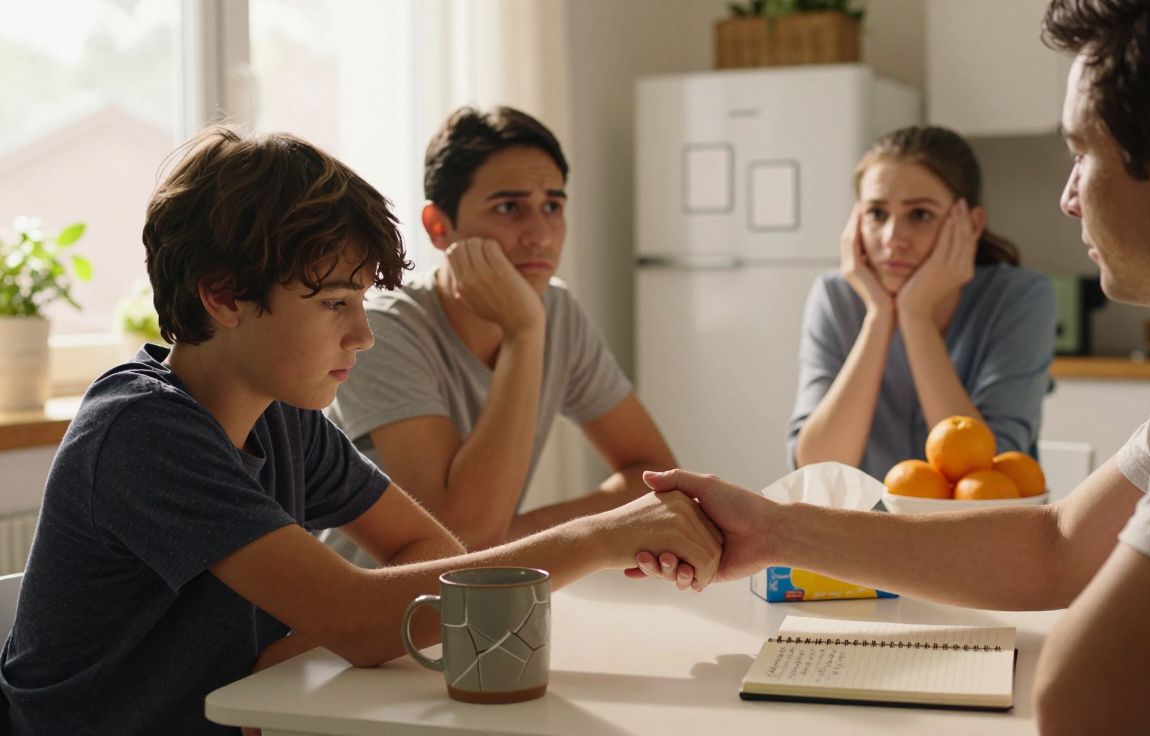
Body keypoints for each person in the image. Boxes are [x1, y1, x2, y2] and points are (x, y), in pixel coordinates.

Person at [634, 0, 1150, 733]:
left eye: (1081, 153)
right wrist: (775, 530)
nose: (1067, 197)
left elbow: (1087, 698)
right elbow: (1056, 548)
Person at [0, 127, 720, 735]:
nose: (361, 335)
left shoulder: (284, 416)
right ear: (223, 295)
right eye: (334, 302)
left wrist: (293, 650)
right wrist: (598, 537)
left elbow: (432, 546)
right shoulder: (144, 432)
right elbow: (362, 615)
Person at [323, 106, 678, 565]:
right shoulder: (383, 328)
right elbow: (462, 535)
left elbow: (656, 478)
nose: (540, 236)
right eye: (509, 208)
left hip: (482, 601)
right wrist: (525, 332)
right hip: (372, 615)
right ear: (438, 226)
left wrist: (520, 535)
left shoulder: (558, 310)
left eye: (553, 206)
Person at [789, 126, 1056, 479]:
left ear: (971, 225)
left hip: (977, 531)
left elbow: (987, 475)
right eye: (877, 213)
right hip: (863, 530)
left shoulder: (1022, 296)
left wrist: (916, 318)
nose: (892, 239)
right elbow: (818, 468)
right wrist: (879, 316)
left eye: (919, 215)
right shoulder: (835, 296)